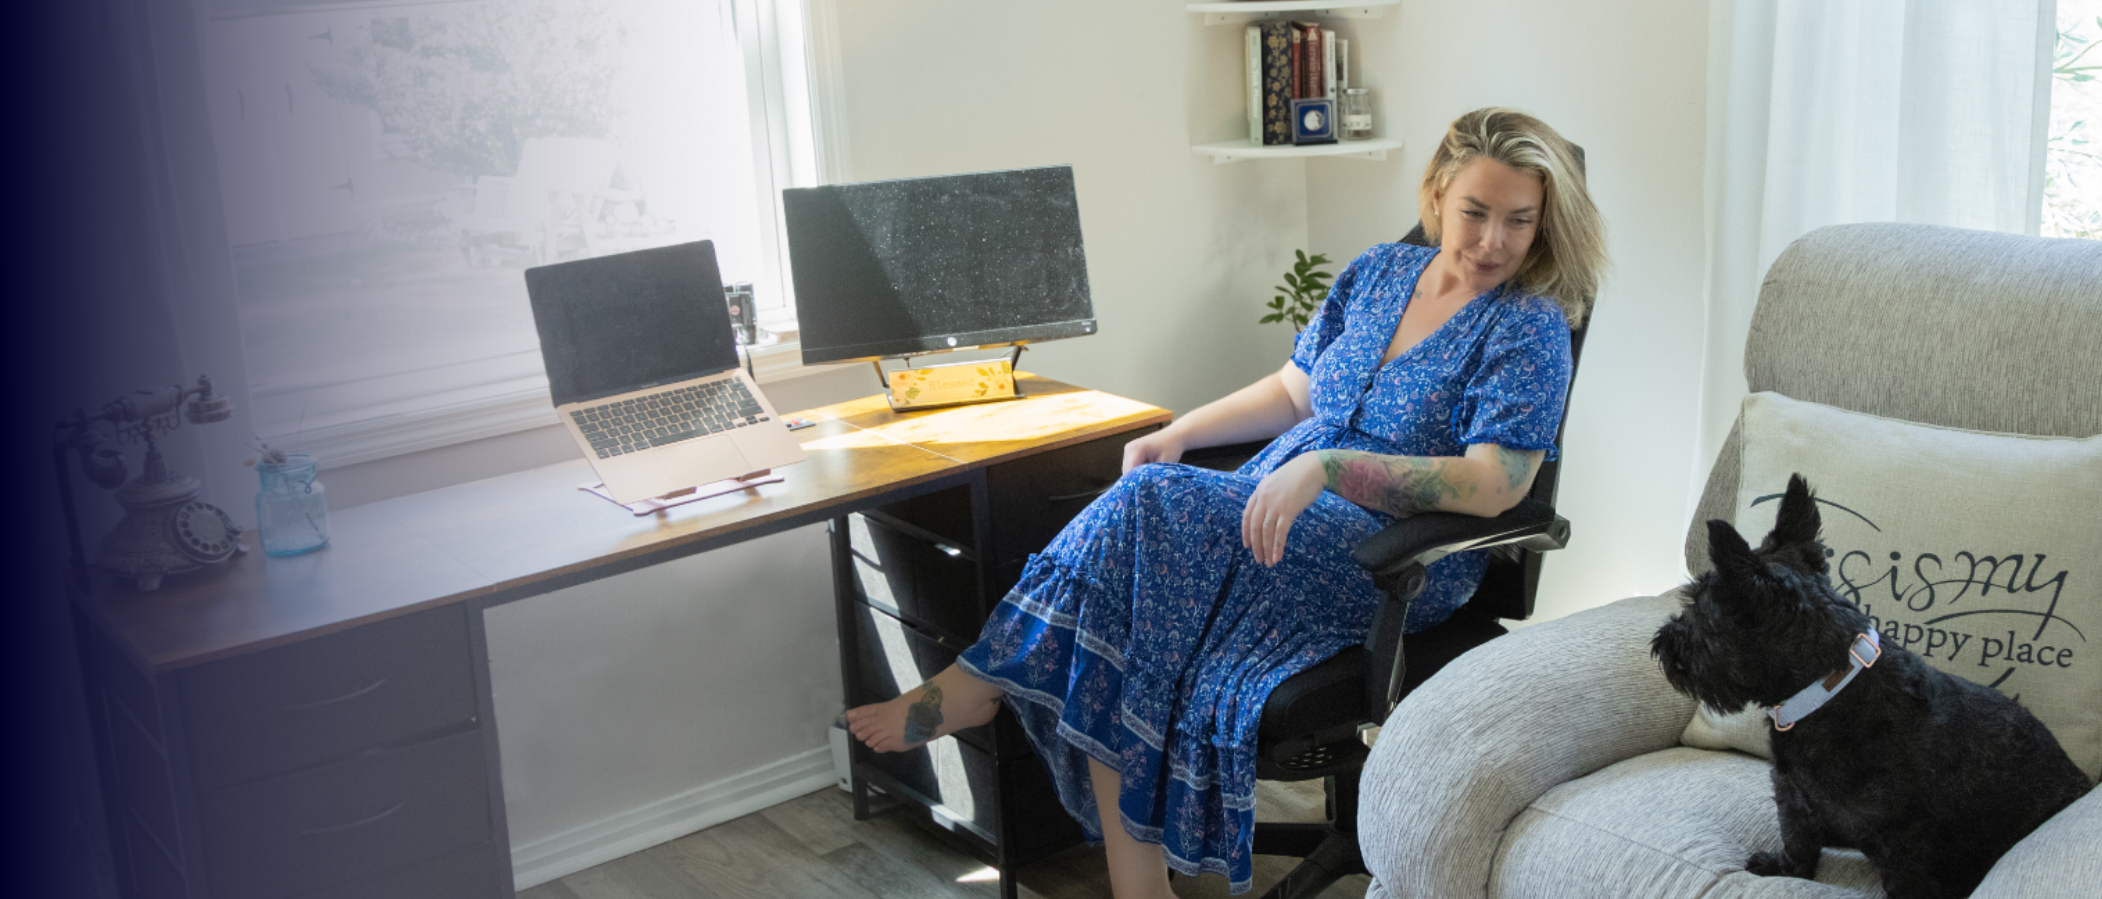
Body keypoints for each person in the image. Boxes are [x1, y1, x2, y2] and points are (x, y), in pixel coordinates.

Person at [846, 107, 1607, 898]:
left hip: (1395, 554)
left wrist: (1333, 469)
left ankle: (981, 680)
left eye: (1519, 221)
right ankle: (1140, 882)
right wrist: (1182, 430)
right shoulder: (1380, 272)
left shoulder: (1529, 327)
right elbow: (1293, 391)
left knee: (1150, 505)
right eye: (1475, 214)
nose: (1493, 242)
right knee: (1130, 610)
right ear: (1437, 194)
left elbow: (1496, 483)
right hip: (1276, 512)